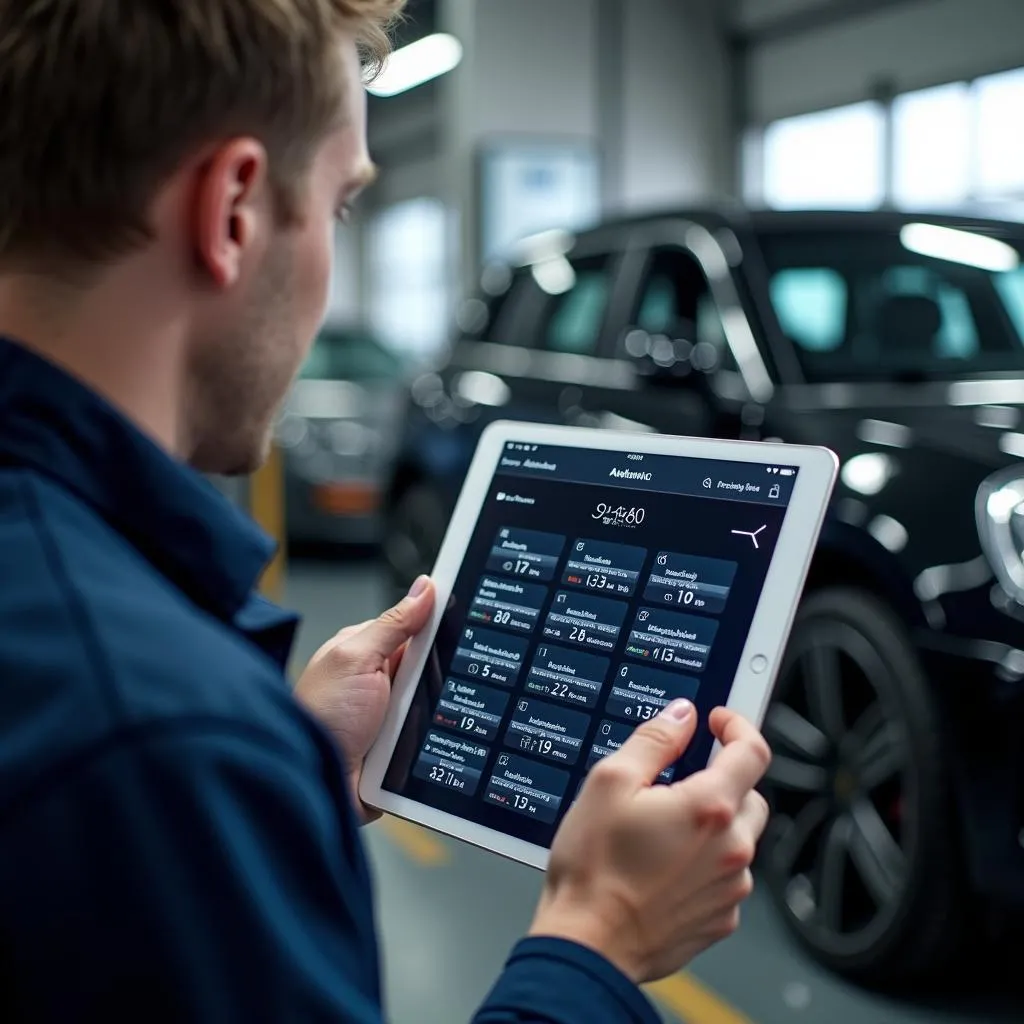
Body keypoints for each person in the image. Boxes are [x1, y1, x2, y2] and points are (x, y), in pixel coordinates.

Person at [0, 2, 772, 1021]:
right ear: (232, 208)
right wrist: (599, 937)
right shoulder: (159, 737)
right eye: (338, 206)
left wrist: (295, 763)